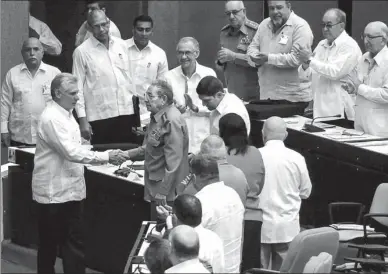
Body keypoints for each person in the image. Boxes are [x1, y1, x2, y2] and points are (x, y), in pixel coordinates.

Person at [32, 73, 129, 274]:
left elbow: (76, 147)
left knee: (74, 245)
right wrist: (106, 157)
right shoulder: (51, 118)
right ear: (58, 94)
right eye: (73, 93)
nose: (78, 98)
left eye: (78, 93)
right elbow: (70, 152)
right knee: (49, 246)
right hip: (52, 194)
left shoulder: (67, 114)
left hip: (72, 190)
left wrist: (93, 150)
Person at [125, 80, 189, 220]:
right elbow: (150, 148)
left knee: (164, 229)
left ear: (163, 99)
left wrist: (163, 192)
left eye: (150, 96)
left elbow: (174, 162)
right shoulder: (157, 117)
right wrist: (126, 155)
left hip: (166, 191)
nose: (145, 100)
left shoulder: (171, 120)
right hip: (155, 185)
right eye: (145, 95)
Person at [72, 10, 136, 145]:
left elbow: (130, 80)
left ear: (109, 23)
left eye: (104, 24)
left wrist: (138, 114)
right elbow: (77, 88)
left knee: (127, 157)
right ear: (89, 27)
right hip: (100, 116)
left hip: (126, 112)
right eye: (96, 26)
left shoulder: (122, 45)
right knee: (102, 161)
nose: (102, 29)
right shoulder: (82, 52)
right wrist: (82, 120)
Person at [258, 116, 312, 270]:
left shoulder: (255, 156)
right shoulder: (297, 158)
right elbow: (306, 192)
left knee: (260, 270)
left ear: (263, 133)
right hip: (287, 226)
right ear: (286, 135)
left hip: (261, 226)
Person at [297, 8, 362, 128]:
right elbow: (305, 76)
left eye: (329, 25)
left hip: (340, 111)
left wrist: (310, 60)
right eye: (323, 25)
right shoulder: (322, 44)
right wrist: (305, 65)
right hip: (320, 110)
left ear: (341, 26)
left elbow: (335, 72)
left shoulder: (349, 45)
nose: (325, 29)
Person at [219, 113, 265, 271]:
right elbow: (260, 185)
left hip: (229, 221)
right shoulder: (256, 152)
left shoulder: (221, 156)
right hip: (253, 219)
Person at [247, 0, 314, 107]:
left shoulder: (300, 27)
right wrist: (255, 60)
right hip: (267, 95)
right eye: (271, 8)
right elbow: (251, 48)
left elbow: (296, 58)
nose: (275, 11)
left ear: (289, 7)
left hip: (293, 99)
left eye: (279, 7)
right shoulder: (264, 24)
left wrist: (268, 58)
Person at [190, 153, 245, 273]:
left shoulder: (199, 202)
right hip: (233, 268)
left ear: (194, 177)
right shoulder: (233, 194)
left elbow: (187, 241)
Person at [1, 38, 61, 147]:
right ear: (22, 53)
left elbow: (63, 104)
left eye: (36, 49)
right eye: (28, 50)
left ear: (42, 52)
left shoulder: (54, 74)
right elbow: (5, 103)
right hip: (19, 137)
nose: (32, 53)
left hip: (48, 137)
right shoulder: (12, 74)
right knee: (20, 164)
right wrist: (3, 130)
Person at [164, 37, 217, 154]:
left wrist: (195, 108)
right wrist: (174, 110)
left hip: (203, 136)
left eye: (187, 52)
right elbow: (163, 109)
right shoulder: (169, 77)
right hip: (177, 137)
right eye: (180, 53)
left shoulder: (208, 74)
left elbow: (216, 107)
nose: (183, 57)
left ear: (196, 54)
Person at [157, 194, 225, 273]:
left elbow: (161, 265)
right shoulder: (214, 238)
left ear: (175, 217)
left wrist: (170, 225)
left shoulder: (177, 242)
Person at [342, 22, 388, 137]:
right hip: (360, 125)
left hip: (380, 130)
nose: (366, 41)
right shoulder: (364, 58)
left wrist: (360, 88)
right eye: (364, 36)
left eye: (371, 37)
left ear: (383, 40)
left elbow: (386, 94)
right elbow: (361, 85)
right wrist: (353, 89)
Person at [126, 15, 168, 124]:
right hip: (122, 109)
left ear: (152, 32)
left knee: (144, 140)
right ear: (133, 30)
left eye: (147, 30)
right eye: (140, 29)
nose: (144, 33)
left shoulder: (159, 54)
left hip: (147, 112)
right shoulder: (120, 48)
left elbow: (162, 86)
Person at [217, 0, 259, 101]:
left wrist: (233, 56)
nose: (231, 17)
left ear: (244, 12)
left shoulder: (256, 31)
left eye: (235, 12)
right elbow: (221, 65)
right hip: (232, 92)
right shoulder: (224, 33)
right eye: (228, 14)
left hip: (253, 94)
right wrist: (220, 62)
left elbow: (258, 61)